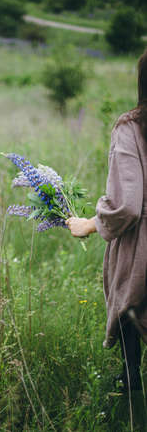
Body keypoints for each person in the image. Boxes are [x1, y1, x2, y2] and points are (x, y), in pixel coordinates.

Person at [66, 48, 147, 393]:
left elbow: (127, 206)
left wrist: (90, 223)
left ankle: (132, 395)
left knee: (131, 301)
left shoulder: (131, 129)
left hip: (142, 248)